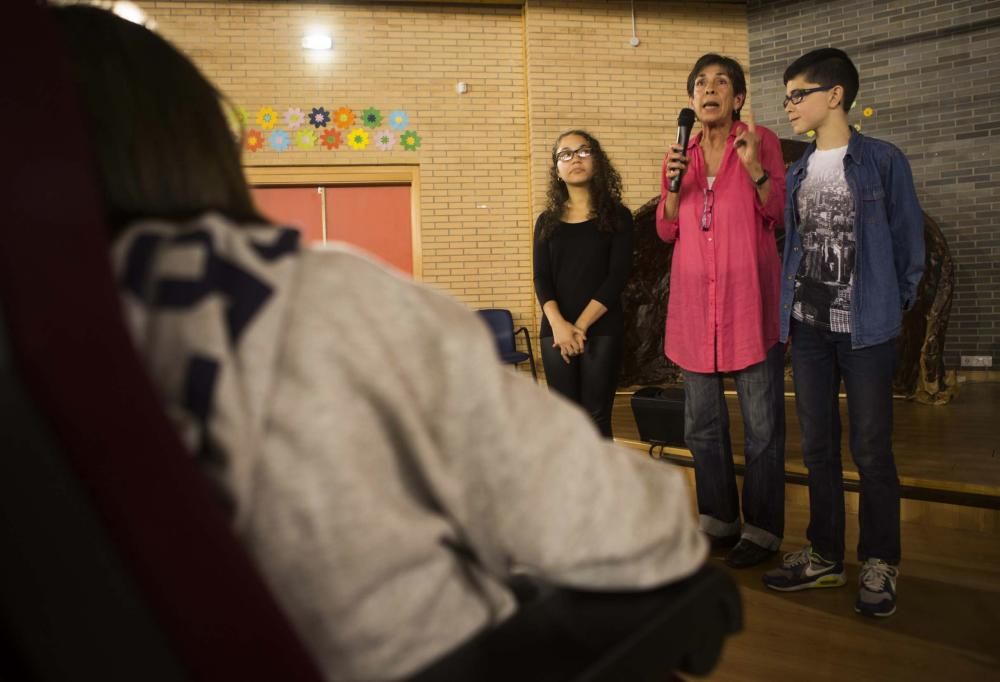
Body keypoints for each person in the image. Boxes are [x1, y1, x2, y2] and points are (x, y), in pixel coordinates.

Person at [51, 5, 707, 680]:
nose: (572, 159)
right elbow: (630, 524)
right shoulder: (322, 295)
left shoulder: (44, 329)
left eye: (580, 150)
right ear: (193, 141)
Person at [763, 48, 924, 618]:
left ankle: (880, 560)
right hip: (807, 330)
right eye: (786, 96)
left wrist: (890, 307)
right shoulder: (799, 170)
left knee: (872, 451)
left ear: (834, 96)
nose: (788, 106)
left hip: (864, 330)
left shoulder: (882, 160)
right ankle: (826, 554)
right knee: (818, 449)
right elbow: (796, 246)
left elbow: (910, 246)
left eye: (797, 94)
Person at [656, 54, 787, 569]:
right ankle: (718, 518)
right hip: (694, 308)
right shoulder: (679, 154)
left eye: (721, 82)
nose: (709, 90)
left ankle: (762, 527)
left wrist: (754, 167)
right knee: (702, 427)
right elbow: (668, 229)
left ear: (738, 99)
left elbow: (778, 213)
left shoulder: (762, 143)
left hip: (748, 306)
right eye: (700, 84)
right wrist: (671, 187)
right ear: (692, 100)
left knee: (763, 427)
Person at [533, 130, 633, 439]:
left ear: (597, 161)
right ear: (557, 170)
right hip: (555, 331)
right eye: (565, 154)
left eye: (583, 151)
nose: (574, 158)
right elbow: (542, 278)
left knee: (596, 417)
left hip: (602, 329)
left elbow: (617, 276)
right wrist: (560, 326)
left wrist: (580, 326)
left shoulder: (618, 216)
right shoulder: (547, 221)